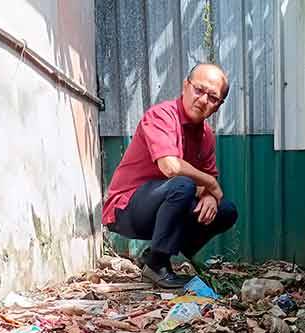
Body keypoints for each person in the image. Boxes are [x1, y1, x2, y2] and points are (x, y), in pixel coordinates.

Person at [102, 63, 238, 288]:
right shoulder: (161, 115)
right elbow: (170, 167)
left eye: (213, 98)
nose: (203, 100)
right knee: (182, 185)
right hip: (126, 209)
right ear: (186, 86)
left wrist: (210, 197)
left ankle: (155, 256)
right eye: (199, 90)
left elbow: (207, 183)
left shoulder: (206, 136)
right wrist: (210, 183)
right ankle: (157, 265)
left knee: (226, 210)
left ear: (219, 105)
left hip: (166, 205)